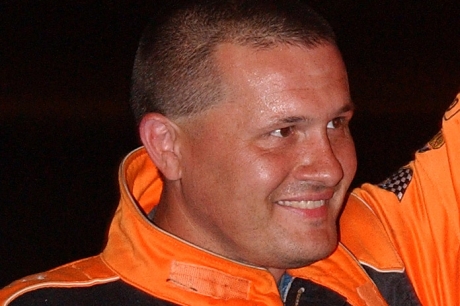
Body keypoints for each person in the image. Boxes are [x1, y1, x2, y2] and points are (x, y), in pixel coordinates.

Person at [1, 0, 458, 305]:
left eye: (336, 124)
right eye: (283, 131)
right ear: (167, 145)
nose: (329, 168)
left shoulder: (387, 245)